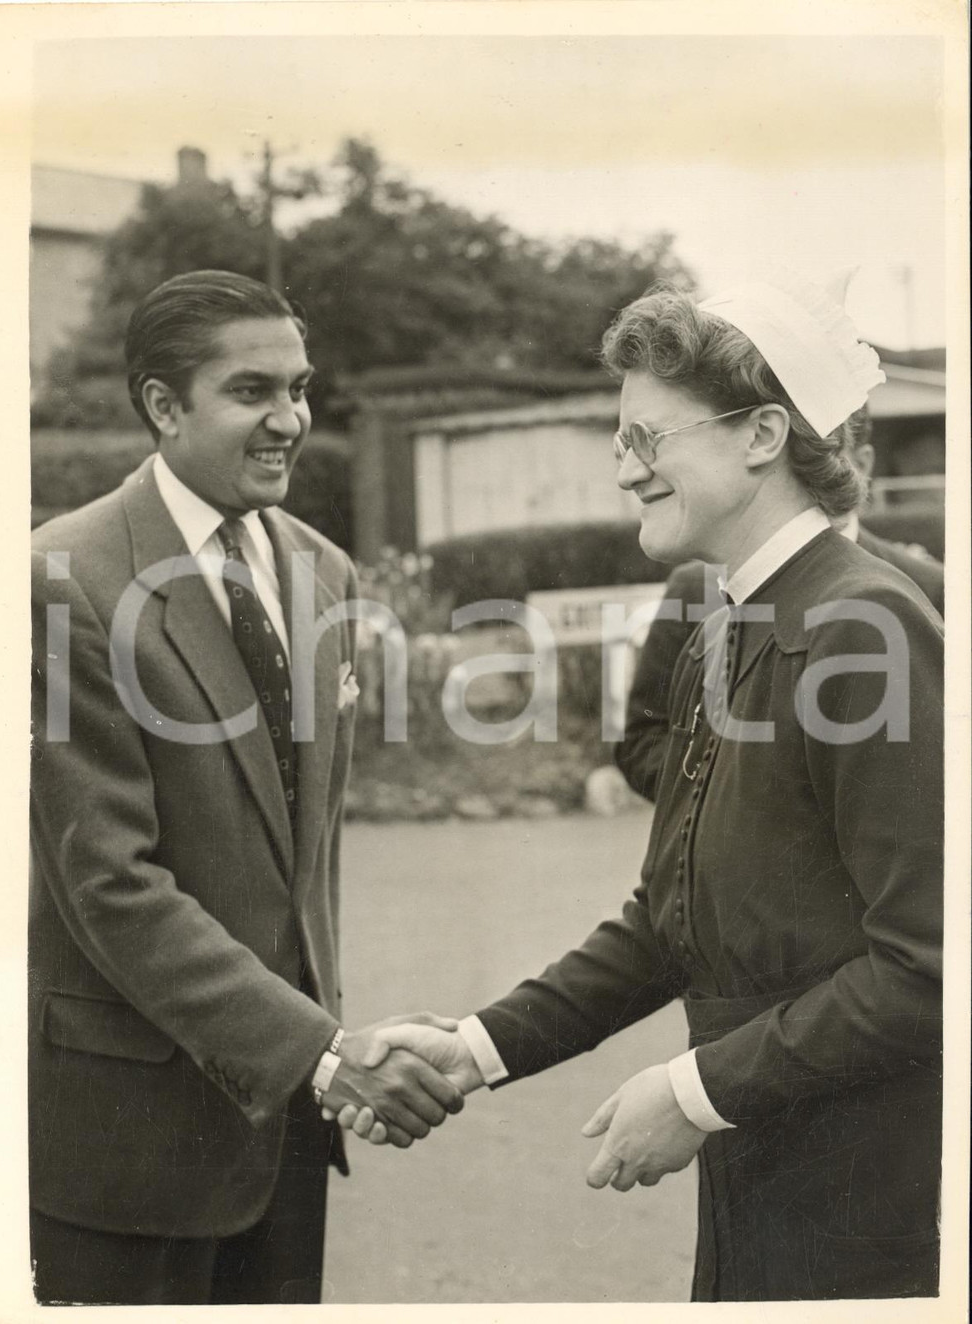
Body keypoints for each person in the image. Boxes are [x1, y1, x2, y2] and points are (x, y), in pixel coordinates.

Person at [334, 271, 944, 1302]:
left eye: (647, 439)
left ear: (761, 435)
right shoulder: (729, 621)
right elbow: (671, 919)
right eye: (622, 443)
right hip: (771, 1167)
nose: (624, 473)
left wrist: (696, 1090)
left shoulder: (864, 626)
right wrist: (471, 1045)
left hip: (870, 1194)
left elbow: (929, 966)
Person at [29, 270, 463, 1306]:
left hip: (284, 1130)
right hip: (124, 1147)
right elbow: (109, 885)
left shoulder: (325, 574)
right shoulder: (61, 581)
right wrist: (323, 1053)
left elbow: (300, 859)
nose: (290, 421)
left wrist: (318, 1058)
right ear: (163, 405)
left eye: (301, 388)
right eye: (252, 391)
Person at [615, 427, 945, 802]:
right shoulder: (695, 589)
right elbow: (642, 738)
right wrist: (732, 803)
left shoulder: (926, 586)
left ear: (861, 462)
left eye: (824, 453)